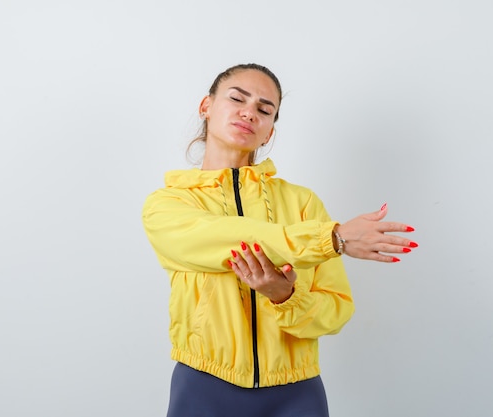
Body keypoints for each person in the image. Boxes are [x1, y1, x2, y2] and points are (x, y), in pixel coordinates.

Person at [141, 63, 417, 417]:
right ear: (206, 106)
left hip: (296, 394)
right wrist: (332, 237)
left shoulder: (302, 204)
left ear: (270, 131)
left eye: (264, 109)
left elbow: (336, 312)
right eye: (237, 98)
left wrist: (285, 296)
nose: (249, 113)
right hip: (203, 386)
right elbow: (231, 238)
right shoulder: (168, 204)